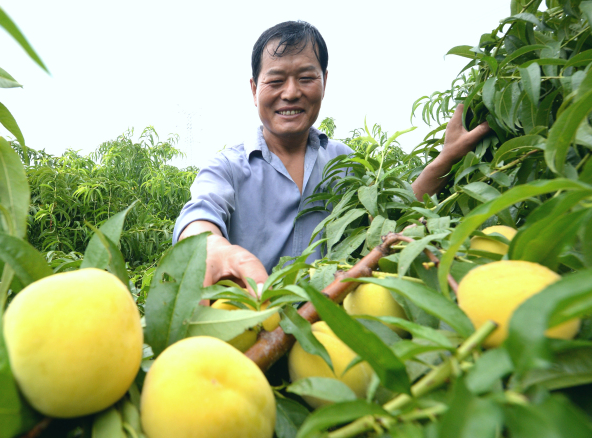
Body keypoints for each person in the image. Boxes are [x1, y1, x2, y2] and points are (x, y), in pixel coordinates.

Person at [173, 21, 490, 294]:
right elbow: (201, 214)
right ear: (254, 88)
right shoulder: (227, 167)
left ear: (325, 81)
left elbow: (387, 221)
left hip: (332, 330)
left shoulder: (345, 161)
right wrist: (209, 246)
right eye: (276, 80)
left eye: (306, 78)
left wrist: (445, 159)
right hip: (252, 333)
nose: (291, 92)